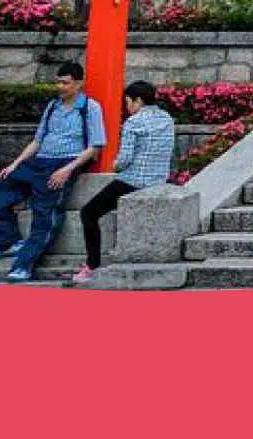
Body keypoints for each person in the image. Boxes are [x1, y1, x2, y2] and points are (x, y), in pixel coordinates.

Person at [0, 60, 106, 283]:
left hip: (64, 163)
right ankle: (7, 241)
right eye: (57, 82)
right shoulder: (52, 107)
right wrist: (15, 164)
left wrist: (67, 170)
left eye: (65, 83)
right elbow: (37, 141)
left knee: (44, 216)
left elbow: (95, 147)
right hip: (38, 161)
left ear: (78, 84)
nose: (60, 87)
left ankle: (23, 266)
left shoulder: (90, 108)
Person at [73, 80, 176, 285]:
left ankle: (92, 265)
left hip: (134, 180)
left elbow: (125, 160)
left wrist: (115, 164)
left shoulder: (133, 122)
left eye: (128, 102)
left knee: (88, 213)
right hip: (159, 179)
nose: (127, 107)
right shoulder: (167, 119)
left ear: (138, 101)